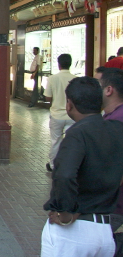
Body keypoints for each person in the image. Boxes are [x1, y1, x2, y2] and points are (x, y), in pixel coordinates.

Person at [41, 76, 123, 257]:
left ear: (69, 104)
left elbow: (64, 175)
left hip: (73, 232)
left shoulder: (76, 134)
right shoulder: (117, 129)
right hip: (104, 230)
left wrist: (66, 212)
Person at [96, 67, 123, 243]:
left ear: (108, 90)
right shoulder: (111, 117)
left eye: (97, 84)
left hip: (115, 206)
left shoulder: (116, 121)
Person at [43, 54, 76, 172]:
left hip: (56, 114)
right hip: (72, 115)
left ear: (59, 64)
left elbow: (48, 97)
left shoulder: (52, 78)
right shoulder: (75, 79)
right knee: (71, 141)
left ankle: (53, 165)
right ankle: (70, 164)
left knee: (55, 141)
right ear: (70, 63)